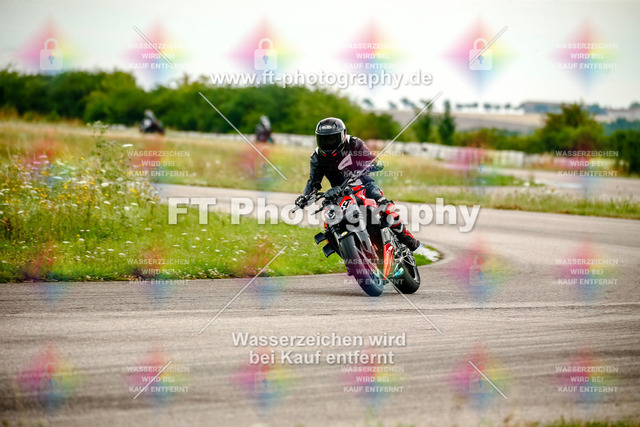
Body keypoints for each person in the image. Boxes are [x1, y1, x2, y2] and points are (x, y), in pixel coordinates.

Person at [295, 117, 421, 251]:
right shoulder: (316, 157)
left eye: (332, 139)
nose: (328, 143)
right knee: (330, 224)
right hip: (339, 193)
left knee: (386, 208)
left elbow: (373, 160)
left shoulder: (354, 143)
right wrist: (304, 197)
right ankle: (348, 248)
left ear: (343, 135)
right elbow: (313, 182)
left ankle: (407, 238)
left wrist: (372, 165)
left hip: (364, 184)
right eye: (324, 139)